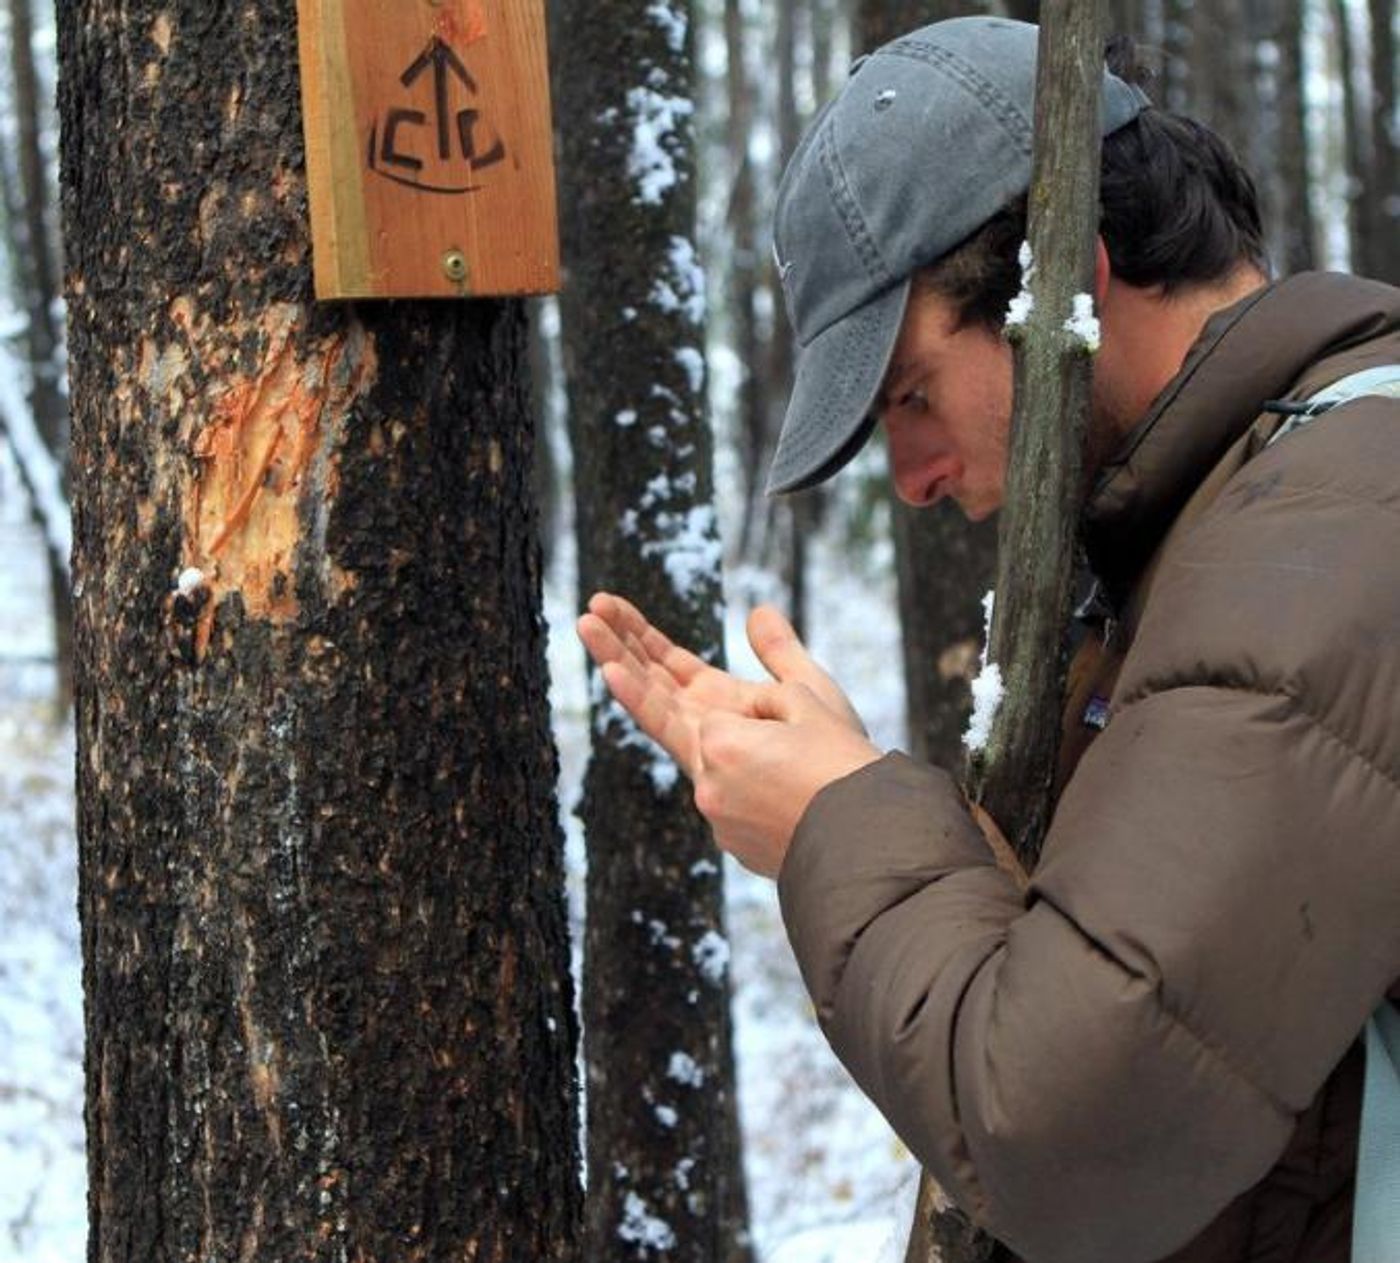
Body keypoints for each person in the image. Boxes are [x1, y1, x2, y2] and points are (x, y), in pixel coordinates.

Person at [577, 16, 1400, 1263]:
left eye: (909, 393)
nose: (908, 477)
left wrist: (833, 821)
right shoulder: (1237, 516)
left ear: (1070, 276)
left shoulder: (1329, 525)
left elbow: (1069, 1129)